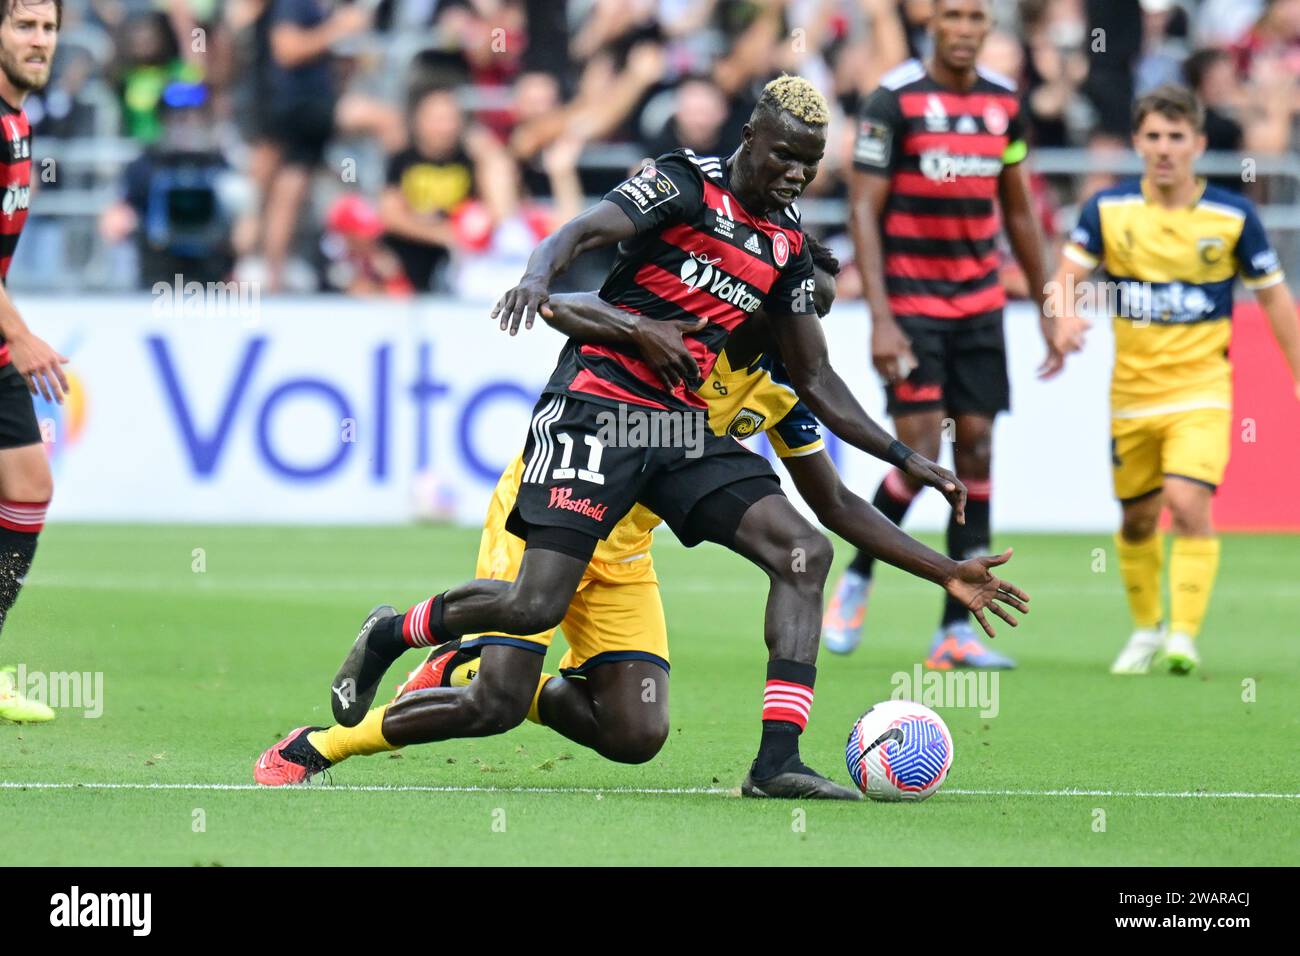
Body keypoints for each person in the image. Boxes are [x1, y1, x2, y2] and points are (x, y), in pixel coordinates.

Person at [270, 76, 966, 800]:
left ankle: (776, 764)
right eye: (786, 156)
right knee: (500, 689)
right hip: (595, 422)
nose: (795, 174)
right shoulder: (682, 186)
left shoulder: (782, 305)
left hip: (660, 449)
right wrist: (548, 282)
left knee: (683, 683)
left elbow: (832, 474)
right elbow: (575, 253)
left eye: (810, 165)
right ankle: (382, 656)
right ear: (750, 137)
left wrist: (919, 486)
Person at [253, 239, 1029, 786]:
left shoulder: (783, 388)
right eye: (801, 311)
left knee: (635, 735)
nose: (807, 331)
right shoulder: (686, 324)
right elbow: (570, 306)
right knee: (493, 705)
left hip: (622, 555)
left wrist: (942, 571)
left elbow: (832, 504)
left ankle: (495, 667)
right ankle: (342, 719)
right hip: (550, 508)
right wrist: (603, 313)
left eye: (816, 316)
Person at [823, 0, 1053, 670]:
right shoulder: (892, 103)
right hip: (913, 305)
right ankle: (860, 570)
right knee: (924, 453)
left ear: (988, 28)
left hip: (979, 304)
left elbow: (1018, 208)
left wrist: (1046, 304)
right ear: (934, 24)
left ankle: (954, 629)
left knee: (976, 448)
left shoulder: (1005, 107)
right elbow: (864, 209)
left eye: (976, 17)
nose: (964, 28)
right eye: (952, 15)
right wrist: (882, 318)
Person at [1048, 84, 1300, 675]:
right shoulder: (1107, 210)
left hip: (1203, 391)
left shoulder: (1233, 217)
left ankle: (1183, 636)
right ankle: (1146, 628)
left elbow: (1276, 302)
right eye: (1154, 137)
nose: (1164, 149)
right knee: (1137, 519)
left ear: (1199, 144)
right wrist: (1063, 321)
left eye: (1176, 137)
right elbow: (1066, 275)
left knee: (1188, 503)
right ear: (1137, 142)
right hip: (1132, 395)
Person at [0, 0, 68, 723]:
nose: (39, 40)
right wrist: (18, 334)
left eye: (47, 28)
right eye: (24, 26)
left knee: (29, 485)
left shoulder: (19, 121)